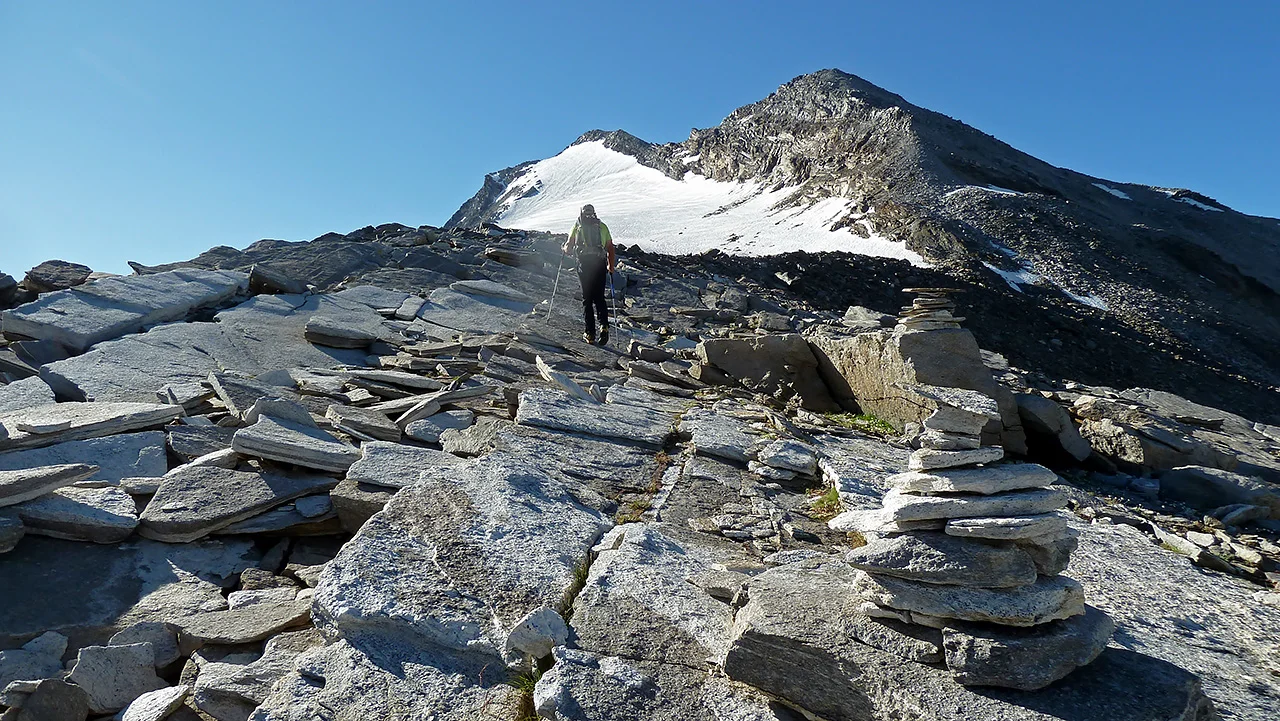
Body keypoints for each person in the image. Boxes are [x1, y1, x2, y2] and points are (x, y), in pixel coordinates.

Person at [562, 204, 616, 345]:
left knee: (587, 299)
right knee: (599, 298)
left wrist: (565, 248)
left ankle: (590, 333)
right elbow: (610, 248)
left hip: (584, 265)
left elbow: (569, 247)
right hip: (599, 264)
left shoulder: (577, 226)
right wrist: (610, 266)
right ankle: (604, 326)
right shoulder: (602, 226)